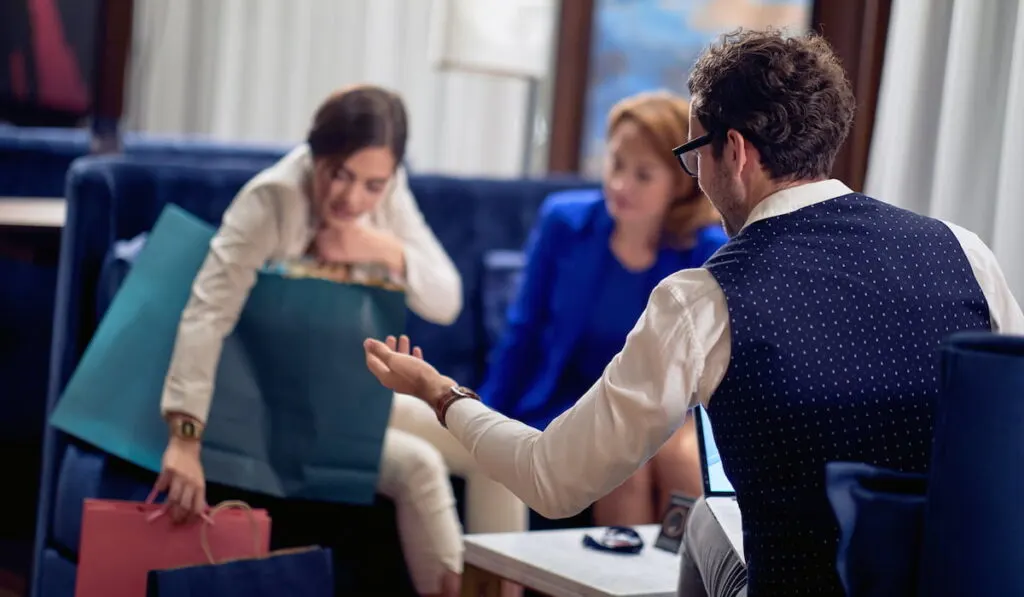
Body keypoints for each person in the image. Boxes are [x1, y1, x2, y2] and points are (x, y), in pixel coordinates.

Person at [360, 30, 1024, 597]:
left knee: (712, 514)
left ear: (733, 151)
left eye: (692, 154)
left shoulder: (703, 297)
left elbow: (552, 479)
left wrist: (441, 393)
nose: (696, 175)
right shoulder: (965, 250)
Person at [154, 86, 464, 597]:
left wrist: (378, 246)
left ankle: (500, 587)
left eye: (373, 185)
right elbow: (208, 312)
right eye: (339, 174)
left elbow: (446, 300)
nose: (353, 198)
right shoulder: (271, 199)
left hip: (347, 402)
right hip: (271, 410)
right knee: (420, 466)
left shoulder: (389, 191)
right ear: (315, 154)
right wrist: (185, 438)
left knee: (489, 444)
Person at [479, 91, 726, 525]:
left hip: (662, 412)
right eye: (615, 165)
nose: (619, 185)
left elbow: (707, 366)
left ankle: (683, 582)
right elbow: (523, 329)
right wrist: (484, 422)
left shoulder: (706, 249)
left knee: (681, 457)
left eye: (643, 175)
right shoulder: (564, 222)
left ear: (680, 182)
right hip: (569, 403)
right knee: (622, 462)